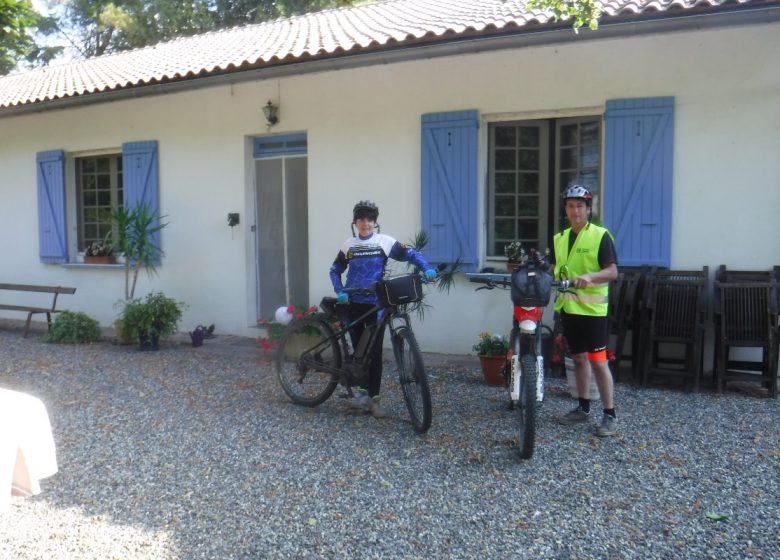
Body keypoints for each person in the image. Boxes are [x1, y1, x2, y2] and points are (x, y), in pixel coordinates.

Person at [329, 200, 437, 418]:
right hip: (351, 302)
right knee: (358, 351)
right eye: (361, 219)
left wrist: (426, 268)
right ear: (355, 222)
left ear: (375, 222)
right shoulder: (348, 245)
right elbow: (335, 269)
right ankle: (360, 394)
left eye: (369, 219)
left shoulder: (384, 242)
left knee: (373, 350)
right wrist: (340, 289)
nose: (365, 223)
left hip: (375, 304)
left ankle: (373, 398)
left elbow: (410, 254)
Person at [550, 185, 619, 437]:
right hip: (568, 308)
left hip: (592, 311)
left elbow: (612, 272)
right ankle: (583, 407)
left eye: (580, 206)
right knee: (578, 359)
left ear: (588, 210)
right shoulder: (559, 238)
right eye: (570, 205)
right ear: (566, 210)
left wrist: (590, 276)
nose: (575, 210)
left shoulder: (601, 236)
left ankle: (609, 415)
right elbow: (556, 268)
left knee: (599, 363)